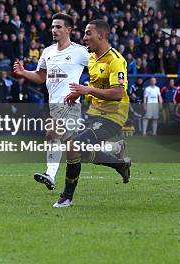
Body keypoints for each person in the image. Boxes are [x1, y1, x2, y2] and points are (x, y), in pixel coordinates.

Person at [14, 13, 122, 190]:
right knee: (79, 149)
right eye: (52, 27)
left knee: (51, 133)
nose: (54, 30)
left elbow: (101, 67)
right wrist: (24, 72)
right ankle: (115, 150)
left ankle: (50, 174)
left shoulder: (80, 52)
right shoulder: (47, 52)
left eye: (58, 27)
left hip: (70, 104)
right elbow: (41, 76)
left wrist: (93, 89)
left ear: (68, 30)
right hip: (54, 105)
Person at [58, 20, 132, 208]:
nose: (84, 38)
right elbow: (94, 87)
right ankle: (118, 160)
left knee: (74, 146)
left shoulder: (115, 60)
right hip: (94, 113)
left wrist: (87, 90)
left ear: (102, 35)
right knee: (75, 148)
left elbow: (117, 93)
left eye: (88, 33)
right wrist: (79, 93)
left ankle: (66, 197)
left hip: (113, 115)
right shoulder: (92, 58)